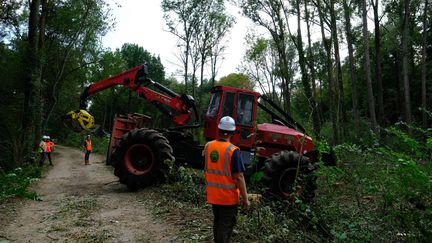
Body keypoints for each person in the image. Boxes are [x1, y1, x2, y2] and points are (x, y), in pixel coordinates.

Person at [203, 116, 250, 243]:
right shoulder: (233, 151)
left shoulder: (208, 146)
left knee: (218, 223)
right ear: (233, 133)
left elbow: (207, 169)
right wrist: (245, 199)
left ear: (218, 130)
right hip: (228, 199)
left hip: (213, 196)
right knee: (225, 227)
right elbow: (239, 177)